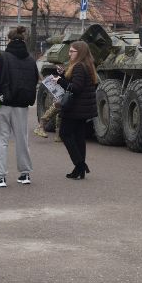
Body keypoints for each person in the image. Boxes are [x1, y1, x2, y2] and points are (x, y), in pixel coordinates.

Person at [0, 26, 38, 187]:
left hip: (2, 103)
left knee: (0, 139)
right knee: (22, 139)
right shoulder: (31, 60)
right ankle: (25, 174)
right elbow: (34, 81)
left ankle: (1, 177)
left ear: (9, 40)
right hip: (22, 105)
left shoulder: (1, 57)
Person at [56, 40, 98, 179]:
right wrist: (63, 75)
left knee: (65, 134)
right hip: (82, 109)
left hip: (75, 109)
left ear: (79, 53)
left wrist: (60, 81)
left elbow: (76, 88)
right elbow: (77, 83)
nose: (69, 54)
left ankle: (80, 165)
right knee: (79, 137)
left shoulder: (79, 66)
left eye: (71, 51)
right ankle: (79, 170)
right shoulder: (87, 65)